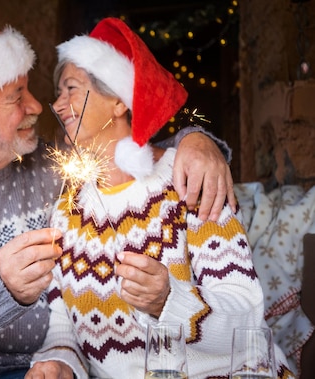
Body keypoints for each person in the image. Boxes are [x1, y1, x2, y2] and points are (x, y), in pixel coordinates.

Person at [0, 9, 235, 379]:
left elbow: (125, 148)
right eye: (16, 97)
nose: (37, 106)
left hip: (31, 363)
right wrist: (4, 288)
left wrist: (195, 141)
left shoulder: (50, 166)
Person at [26, 17, 295, 379]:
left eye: (71, 88)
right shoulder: (66, 209)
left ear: (120, 101)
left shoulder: (187, 180)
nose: (58, 106)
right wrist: (59, 361)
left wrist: (170, 300)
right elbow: (63, 320)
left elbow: (245, 311)